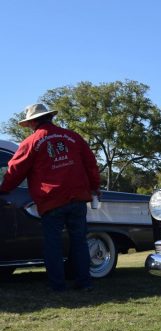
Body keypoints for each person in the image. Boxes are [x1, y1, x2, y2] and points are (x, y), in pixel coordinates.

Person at [0, 103, 100, 291]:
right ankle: (84, 282)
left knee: (52, 244)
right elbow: (91, 164)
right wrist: (94, 188)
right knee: (79, 241)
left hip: (51, 200)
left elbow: (15, 171)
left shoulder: (31, 143)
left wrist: (4, 188)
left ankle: (58, 285)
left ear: (32, 122)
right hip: (77, 198)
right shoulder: (73, 137)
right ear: (50, 117)